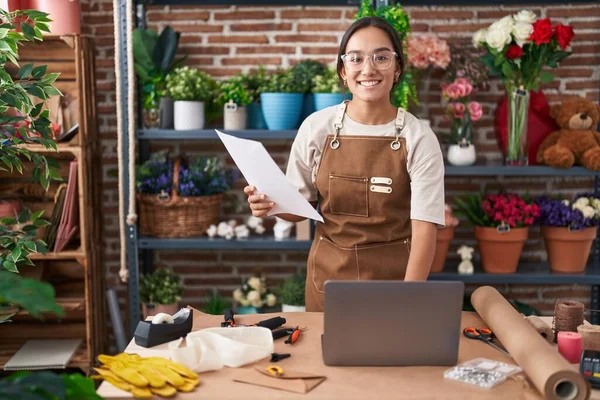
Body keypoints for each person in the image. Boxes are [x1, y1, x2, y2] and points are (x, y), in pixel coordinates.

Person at [244, 16, 445, 312]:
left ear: (397, 68)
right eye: (356, 58)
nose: (368, 69)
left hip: (396, 286)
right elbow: (299, 208)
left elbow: (425, 231)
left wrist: (408, 300)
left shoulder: (419, 138)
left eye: (381, 57)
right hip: (328, 285)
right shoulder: (316, 128)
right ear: (343, 70)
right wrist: (270, 205)